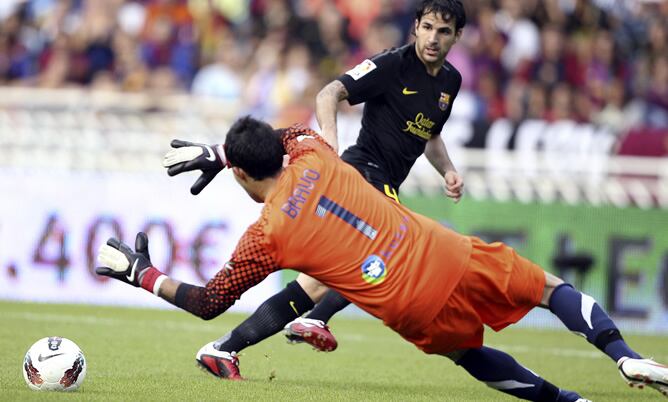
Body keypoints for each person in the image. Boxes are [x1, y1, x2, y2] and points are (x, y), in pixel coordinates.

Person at [97, 116, 668, 401]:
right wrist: (220, 153)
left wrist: (141, 274)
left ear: (241, 174)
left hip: (407, 302)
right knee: (546, 288)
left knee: (470, 356)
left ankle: (570, 401)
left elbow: (207, 302)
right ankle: (623, 356)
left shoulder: (264, 237)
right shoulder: (314, 152)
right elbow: (293, 131)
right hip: (444, 251)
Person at [168, 0, 468, 359]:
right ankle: (318, 320)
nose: (433, 38)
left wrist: (448, 169)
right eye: (428, 27)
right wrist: (330, 141)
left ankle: (224, 349)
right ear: (416, 26)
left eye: (443, 31)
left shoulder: (451, 81)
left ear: (456, 37)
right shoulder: (392, 64)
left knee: (314, 286)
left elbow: (430, 136)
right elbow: (330, 93)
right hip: (363, 173)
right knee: (384, 257)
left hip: (385, 181)